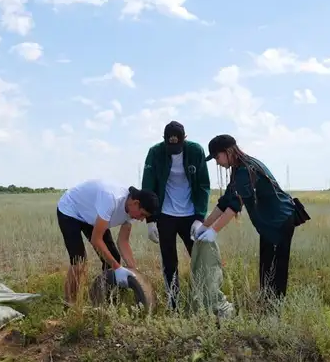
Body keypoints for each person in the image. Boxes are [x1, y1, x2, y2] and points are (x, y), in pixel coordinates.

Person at [194, 134, 308, 300]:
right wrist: (205, 226)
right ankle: (267, 303)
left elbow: (234, 206)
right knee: (266, 267)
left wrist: (214, 231)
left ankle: (275, 310)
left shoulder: (245, 170)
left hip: (280, 221)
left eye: (217, 157)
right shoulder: (239, 168)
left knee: (276, 270)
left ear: (228, 152)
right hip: (269, 224)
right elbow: (226, 201)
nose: (217, 162)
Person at [141, 121, 211, 309]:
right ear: (164, 141)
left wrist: (199, 217)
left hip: (190, 215)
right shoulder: (155, 153)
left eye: (178, 145)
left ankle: (204, 301)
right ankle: (174, 304)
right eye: (170, 145)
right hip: (165, 215)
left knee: (198, 259)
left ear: (184, 139)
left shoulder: (196, 151)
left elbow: (204, 185)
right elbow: (148, 185)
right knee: (169, 262)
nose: (174, 149)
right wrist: (150, 220)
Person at [56, 179, 159, 305]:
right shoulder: (112, 199)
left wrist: (133, 271)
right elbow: (96, 240)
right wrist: (117, 267)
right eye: (142, 214)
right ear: (136, 203)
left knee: (113, 257)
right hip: (71, 210)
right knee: (79, 262)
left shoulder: (132, 211)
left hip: (93, 215)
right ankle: (69, 303)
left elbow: (123, 242)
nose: (142, 219)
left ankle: (104, 299)